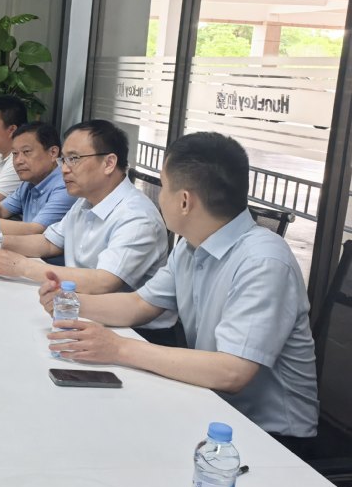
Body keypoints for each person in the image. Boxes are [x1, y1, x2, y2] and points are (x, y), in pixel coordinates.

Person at [38, 132, 318, 445]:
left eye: (163, 187)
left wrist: (118, 348)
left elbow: (232, 372)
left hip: (272, 438)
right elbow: (140, 305)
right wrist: (70, 302)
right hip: (209, 405)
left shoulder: (263, 262)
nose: (158, 198)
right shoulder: (190, 246)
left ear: (184, 201)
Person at [0, 119, 169, 300]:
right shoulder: (86, 200)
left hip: (127, 327)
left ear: (109, 163)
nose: (64, 168)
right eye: (65, 159)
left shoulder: (137, 216)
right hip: (74, 303)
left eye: (74, 159)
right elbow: (49, 242)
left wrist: (23, 267)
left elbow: (103, 281)